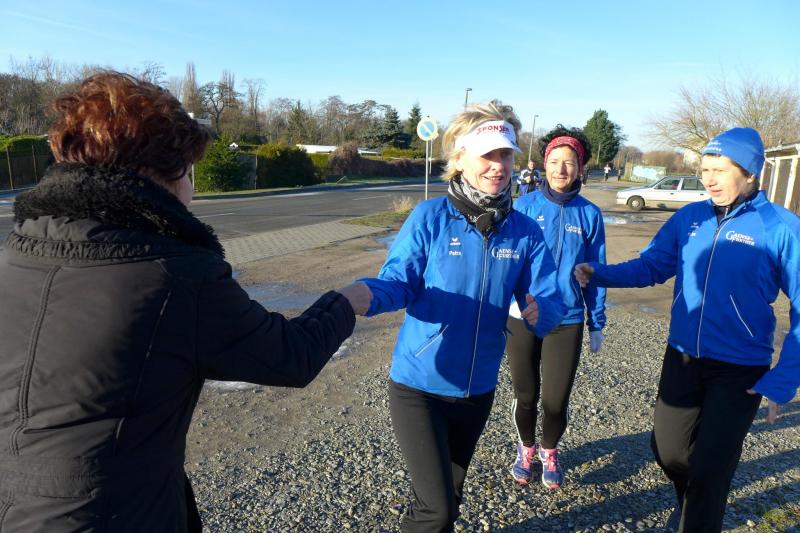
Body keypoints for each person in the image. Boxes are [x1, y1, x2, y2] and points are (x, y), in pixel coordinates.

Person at [0, 71, 370, 532]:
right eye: (189, 172)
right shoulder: (174, 275)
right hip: (112, 515)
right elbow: (289, 357)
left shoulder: (13, 255)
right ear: (160, 173)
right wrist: (344, 301)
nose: (192, 191)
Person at [574, 127, 800, 532]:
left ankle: (697, 514)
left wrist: (783, 379)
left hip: (740, 369)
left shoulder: (781, 228)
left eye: (720, 170)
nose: (709, 179)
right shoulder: (690, 218)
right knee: (668, 451)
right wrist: (600, 273)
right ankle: (690, 499)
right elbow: (652, 266)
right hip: (683, 356)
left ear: (750, 173)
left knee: (712, 469)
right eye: (705, 170)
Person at [358, 101, 566, 531]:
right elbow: (398, 282)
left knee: (448, 499)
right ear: (460, 159)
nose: (498, 165)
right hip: (420, 385)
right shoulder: (430, 218)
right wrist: (363, 296)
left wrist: (542, 311)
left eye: (505, 154)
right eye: (487, 155)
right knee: (436, 509)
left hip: (477, 389)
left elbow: (548, 296)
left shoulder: (524, 231)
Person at [507, 126, 606, 489]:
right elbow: (506, 262)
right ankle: (526, 448)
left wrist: (596, 322)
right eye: (554, 161)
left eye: (569, 162)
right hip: (522, 316)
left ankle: (550, 450)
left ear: (580, 168)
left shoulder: (590, 214)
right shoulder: (523, 207)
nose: (561, 169)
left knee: (555, 400)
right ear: (544, 164)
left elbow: (596, 272)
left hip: (567, 318)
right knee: (526, 395)